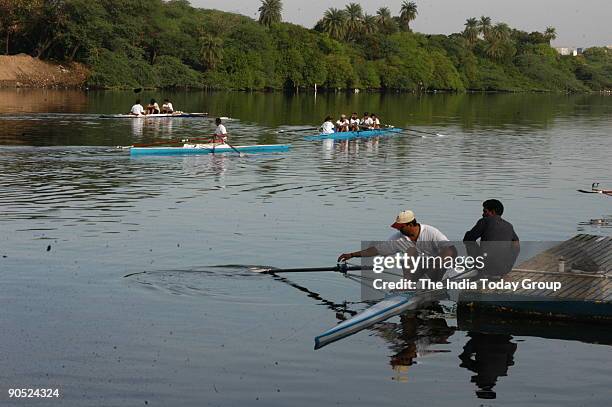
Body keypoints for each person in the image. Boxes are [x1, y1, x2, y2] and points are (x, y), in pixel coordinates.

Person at [338, 210, 456, 281]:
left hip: (437, 270)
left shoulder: (431, 232)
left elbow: (451, 250)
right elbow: (375, 250)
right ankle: (411, 286)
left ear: (411, 224)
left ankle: (427, 284)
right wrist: (352, 254)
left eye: (401, 227)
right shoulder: (398, 238)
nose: (398, 230)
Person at [463, 199, 520, 278]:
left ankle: (480, 269)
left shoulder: (485, 221)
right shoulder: (509, 225)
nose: (483, 214)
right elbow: (516, 243)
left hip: (486, 267)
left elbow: (469, 238)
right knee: (515, 244)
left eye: (485, 211)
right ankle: (500, 269)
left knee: (469, 241)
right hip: (505, 269)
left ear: (492, 212)